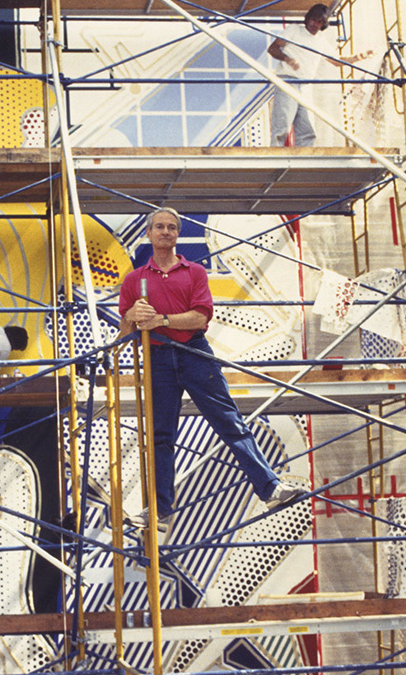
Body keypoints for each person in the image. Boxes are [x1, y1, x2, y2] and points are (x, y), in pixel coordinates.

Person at [118, 207, 304, 532]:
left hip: (194, 353)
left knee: (229, 422)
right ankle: (160, 512)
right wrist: (132, 315)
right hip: (157, 358)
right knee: (161, 437)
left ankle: (270, 488)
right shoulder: (135, 281)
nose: (165, 232)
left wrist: (159, 320)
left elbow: (200, 318)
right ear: (149, 234)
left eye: (171, 227)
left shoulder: (194, 273)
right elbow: (125, 335)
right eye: (159, 227)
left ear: (176, 235)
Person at [268, 3, 372, 146]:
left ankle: (305, 162)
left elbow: (336, 61)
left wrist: (358, 57)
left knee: (307, 129)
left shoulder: (321, 40)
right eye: (314, 19)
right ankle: (275, 157)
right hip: (288, 79)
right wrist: (287, 59)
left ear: (323, 24)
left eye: (320, 22)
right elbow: (272, 48)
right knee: (283, 123)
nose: (315, 24)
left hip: (305, 85)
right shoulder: (294, 30)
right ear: (308, 18)